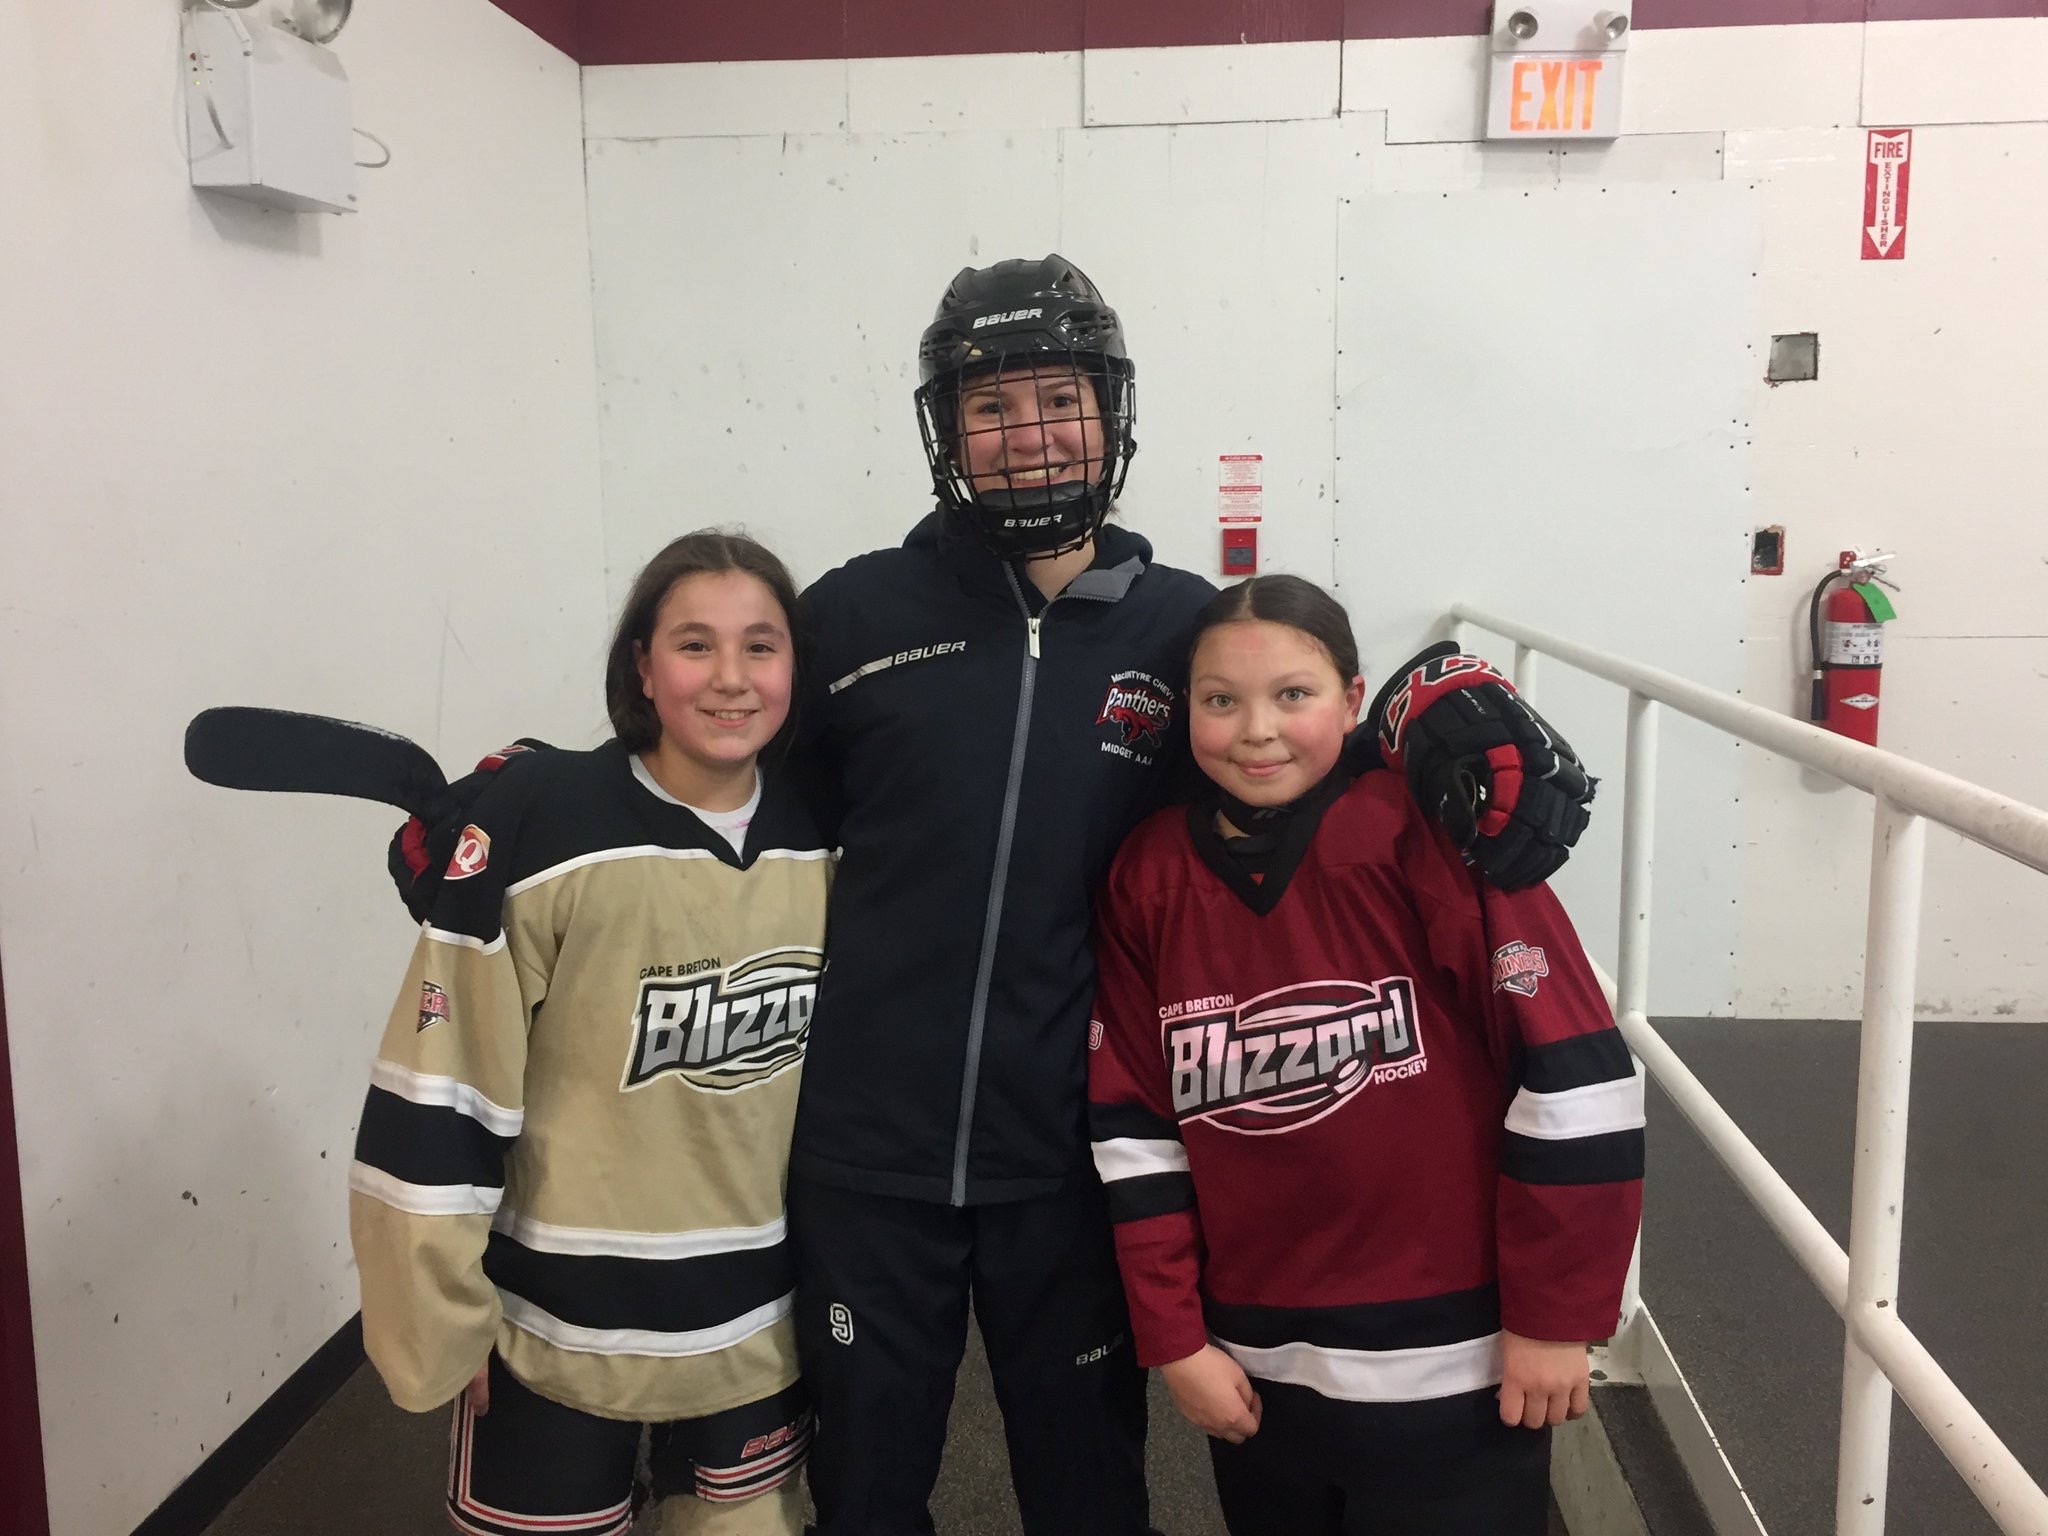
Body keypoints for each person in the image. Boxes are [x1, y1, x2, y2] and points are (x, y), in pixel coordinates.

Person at [385, 256, 1597, 1536]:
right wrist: (530, 802)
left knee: (1085, 1492)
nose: (1028, 438)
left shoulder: (1180, 631)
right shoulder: (852, 613)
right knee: (865, 1491)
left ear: (1110, 413)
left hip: (1068, 1153)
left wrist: (1429, 710)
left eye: (1058, 400)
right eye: (991, 407)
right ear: (946, 430)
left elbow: (1291, 734)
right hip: (865, 1156)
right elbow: (714, 766)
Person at [1085, 574, 1642, 1536]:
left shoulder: (1424, 834)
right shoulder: (1149, 874)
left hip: (1460, 1363)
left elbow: (1577, 1082)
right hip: (1259, 1366)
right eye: (1222, 701)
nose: (1256, 730)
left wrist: (1557, 1317)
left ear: (1353, 700)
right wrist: (1177, 1339)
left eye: (1293, 695)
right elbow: (1135, 1130)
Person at [350, 531, 830, 1536]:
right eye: (695, 645)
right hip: (549, 1331)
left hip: (752, 1331)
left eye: (761, 645)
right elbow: (447, 1080)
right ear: (641, 669)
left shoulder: (830, 835)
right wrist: (440, 1315)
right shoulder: (546, 823)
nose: (732, 678)